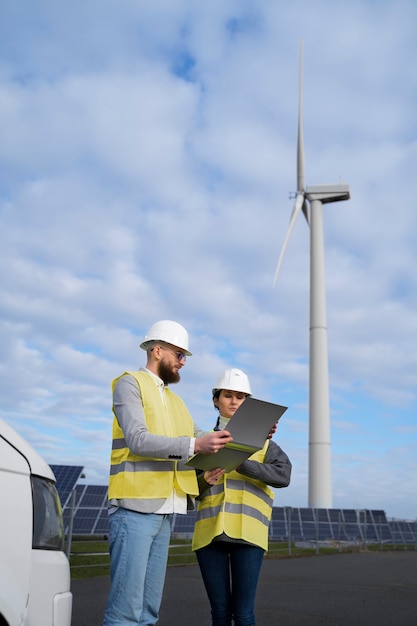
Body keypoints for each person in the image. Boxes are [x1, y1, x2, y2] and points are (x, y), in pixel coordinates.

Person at [102, 320, 233, 626]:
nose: (183, 361)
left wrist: (253, 432)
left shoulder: (176, 402)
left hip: (164, 512)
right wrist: (195, 444)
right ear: (157, 350)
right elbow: (137, 439)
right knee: (125, 613)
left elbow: (204, 436)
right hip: (133, 509)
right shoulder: (129, 384)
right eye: (179, 353)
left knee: (148, 612)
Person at [192, 368, 292, 626]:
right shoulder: (201, 442)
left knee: (244, 613)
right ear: (216, 400)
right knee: (220, 614)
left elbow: (284, 476)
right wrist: (203, 481)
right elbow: (187, 490)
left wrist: (242, 465)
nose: (234, 401)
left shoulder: (265, 443)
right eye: (228, 395)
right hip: (209, 534)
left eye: (240, 396)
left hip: (249, 535)